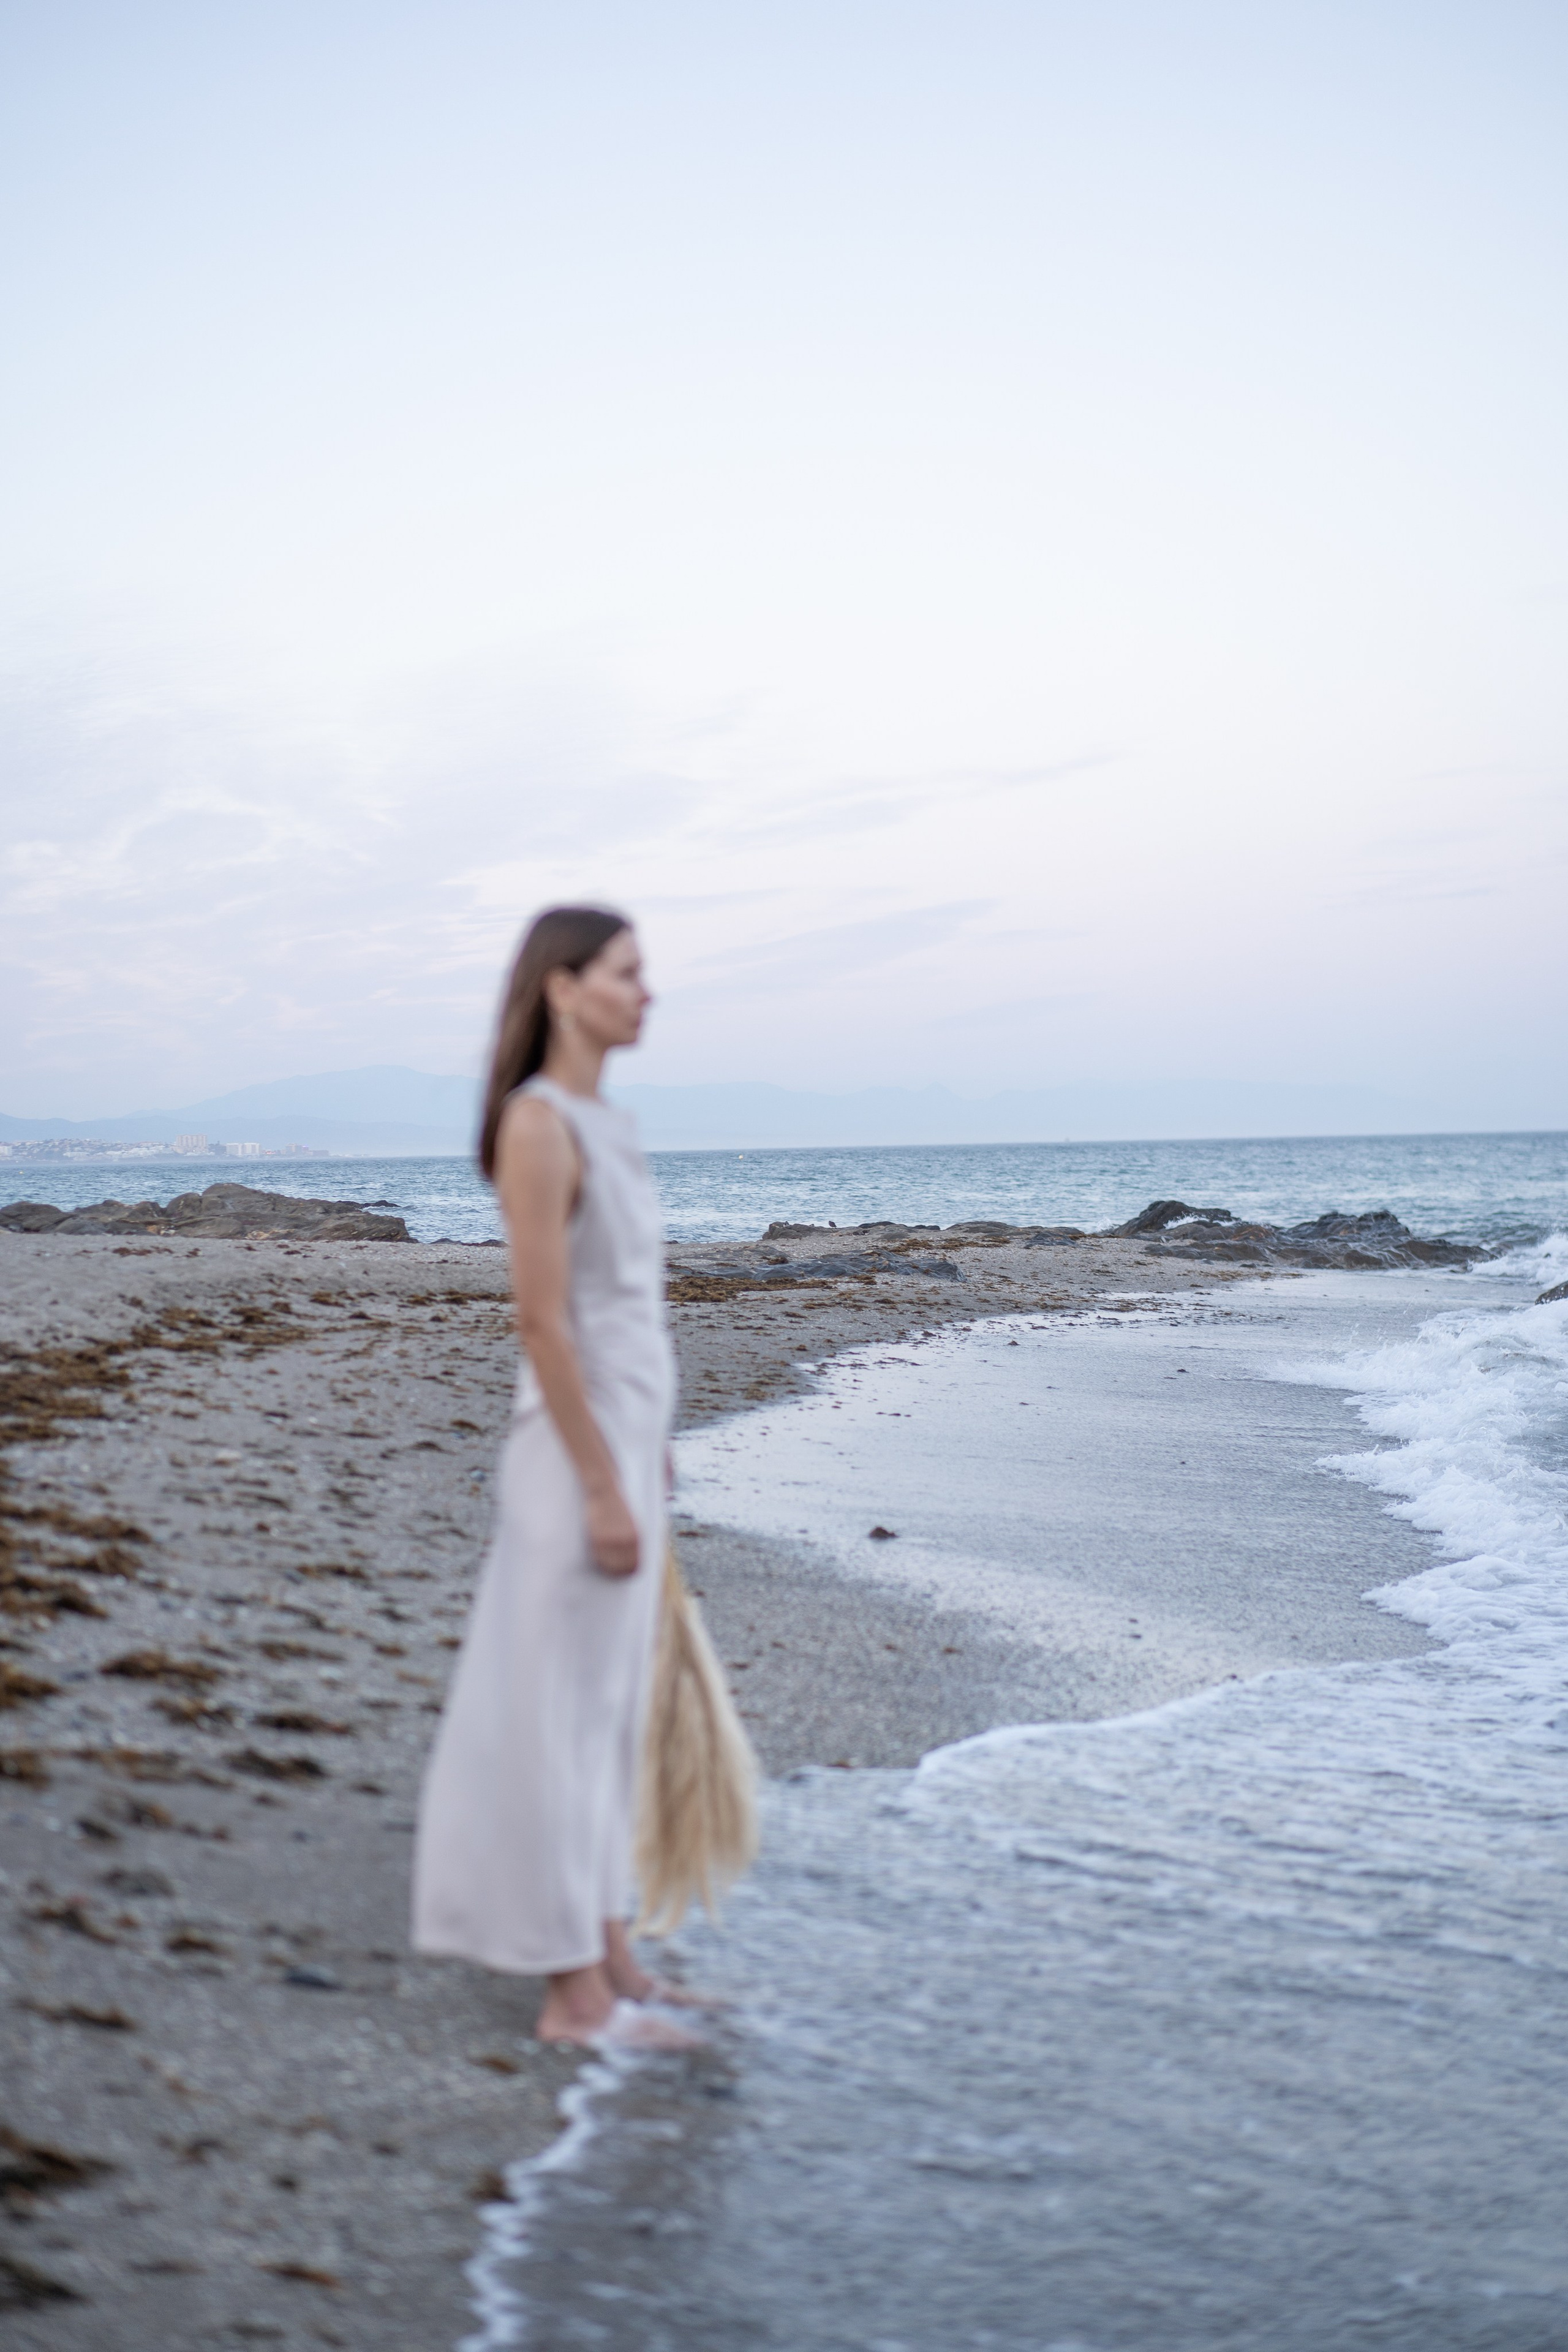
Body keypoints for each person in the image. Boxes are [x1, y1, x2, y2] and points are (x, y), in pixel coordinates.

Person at [412, 906, 699, 2049]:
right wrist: (598, 1483)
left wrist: (653, 1446)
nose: (648, 992)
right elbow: (542, 1323)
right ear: (564, 988)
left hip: (626, 1441)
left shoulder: (606, 1120)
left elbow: (624, 1311)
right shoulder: (537, 1125)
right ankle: (567, 1998)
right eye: (629, 973)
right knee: (561, 1716)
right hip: (571, 1459)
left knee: (613, 1712)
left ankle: (611, 1953)